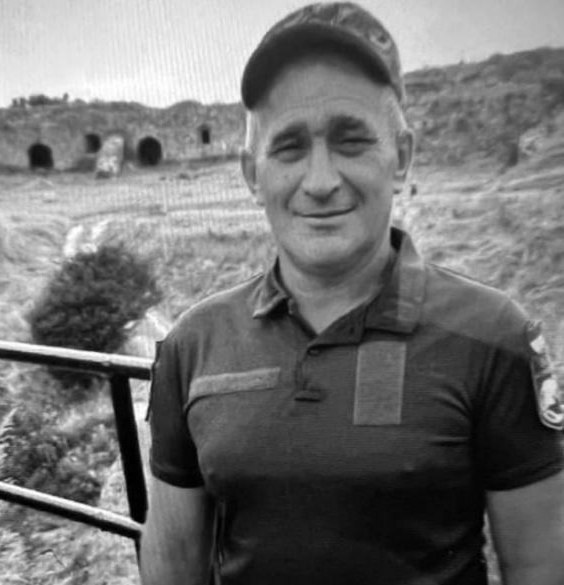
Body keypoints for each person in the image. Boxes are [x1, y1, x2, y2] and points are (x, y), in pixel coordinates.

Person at [140, 3, 564, 584]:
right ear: (251, 174)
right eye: (289, 147)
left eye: (352, 140)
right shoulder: (192, 345)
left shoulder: (495, 337)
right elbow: (173, 559)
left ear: (402, 159)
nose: (320, 182)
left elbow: (542, 565)